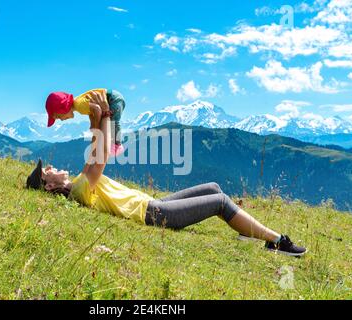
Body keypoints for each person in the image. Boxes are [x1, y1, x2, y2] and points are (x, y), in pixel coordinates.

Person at [28, 91, 306, 257]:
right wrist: (106, 116)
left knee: (213, 187)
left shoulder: (79, 182)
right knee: (220, 202)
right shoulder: (77, 191)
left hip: (154, 203)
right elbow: (100, 157)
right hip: (155, 214)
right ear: (50, 187)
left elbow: (94, 150)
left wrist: (98, 117)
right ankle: (277, 242)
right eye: (47, 173)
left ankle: (248, 232)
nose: (50, 168)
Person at [45, 89, 126, 156]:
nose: (62, 120)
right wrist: (92, 124)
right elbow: (91, 112)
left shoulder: (79, 106)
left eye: (59, 117)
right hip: (113, 97)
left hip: (113, 99)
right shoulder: (78, 104)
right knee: (110, 123)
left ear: (63, 108)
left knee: (114, 122)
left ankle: (117, 145)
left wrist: (96, 128)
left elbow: (97, 109)